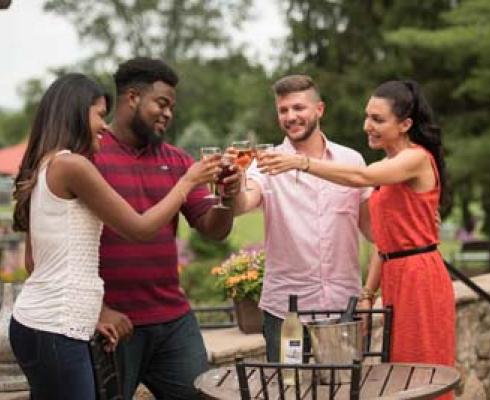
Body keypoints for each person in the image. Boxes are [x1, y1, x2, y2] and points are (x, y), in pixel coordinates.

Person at [9, 73, 224, 400]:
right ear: (78, 113)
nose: (104, 125)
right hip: (55, 329)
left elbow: (41, 260)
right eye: (98, 114)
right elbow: (139, 229)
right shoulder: (74, 167)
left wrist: (91, 312)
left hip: (46, 325)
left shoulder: (48, 164)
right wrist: (186, 181)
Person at [261, 80, 456, 383]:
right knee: (399, 375)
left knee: (421, 373)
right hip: (395, 275)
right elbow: (384, 240)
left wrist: (300, 162)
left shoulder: (415, 158)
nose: (367, 125)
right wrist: (368, 293)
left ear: (405, 124)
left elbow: (359, 176)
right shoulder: (389, 163)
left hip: (419, 277)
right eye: (367, 116)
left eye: (378, 119)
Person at [94, 57, 241, 400]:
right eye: (161, 103)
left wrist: (228, 197)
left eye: (172, 106)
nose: (168, 114)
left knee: (206, 395)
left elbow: (213, 229)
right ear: (132, 98)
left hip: (173, 320)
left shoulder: (177, 160)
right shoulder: (91, 157)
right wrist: (99, 311)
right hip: (113, 324)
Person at [233, 74, 372, 362]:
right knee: (287, 390)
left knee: (342, 392)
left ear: (319, 109)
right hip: (285, 312)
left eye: (298, 108)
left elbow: (375, 229)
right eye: (283, 110)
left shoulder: (352, 162)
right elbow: (242, 203)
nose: (290, 116)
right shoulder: (266, 161)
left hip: (344, 309)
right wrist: (231, 186)